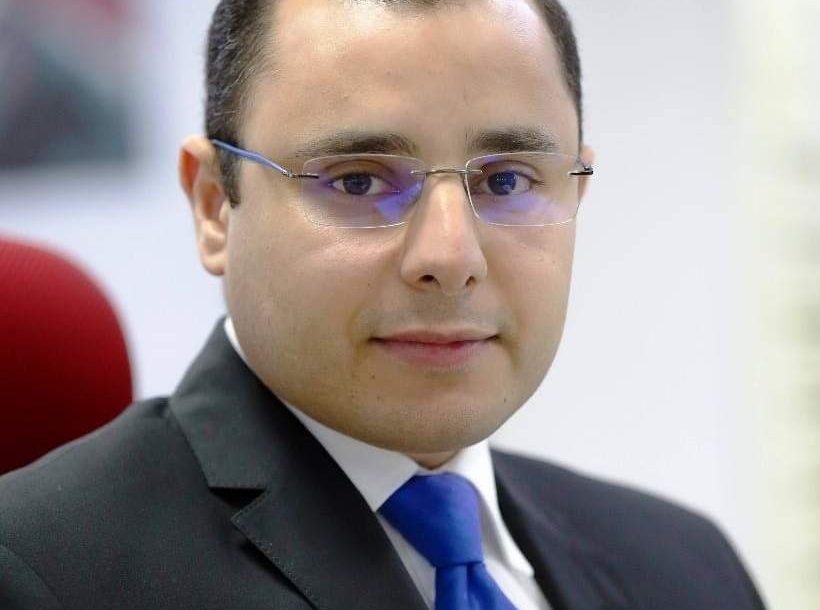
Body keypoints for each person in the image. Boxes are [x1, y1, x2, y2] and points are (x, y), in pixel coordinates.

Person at [0, 0, 766, 608]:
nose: (450, 258)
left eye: (505, 180)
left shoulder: (687, 568)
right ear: (213, 207)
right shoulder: (38, 576)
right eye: (359, 181)